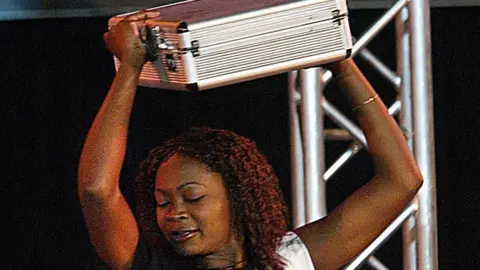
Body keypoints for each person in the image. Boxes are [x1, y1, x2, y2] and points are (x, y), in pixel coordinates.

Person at [78, 11, 423, 270]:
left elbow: (402, 181)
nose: (174, 214)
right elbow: (96, 190)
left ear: (239, 198)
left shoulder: (289, 261)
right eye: (162, 202)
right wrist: (128, 71)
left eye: (193, 197)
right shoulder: (148, 263)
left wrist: (342, 63)